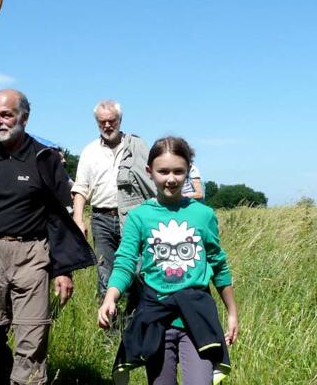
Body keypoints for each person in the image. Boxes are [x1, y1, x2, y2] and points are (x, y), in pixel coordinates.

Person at [0, 89, 95, 385]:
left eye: (6, 115)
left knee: (32, 339)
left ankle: (25, 379)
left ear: (24, 118)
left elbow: (60, 215)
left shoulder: (44, 157)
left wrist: (63, 270)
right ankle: (5, 376)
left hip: (33, 253)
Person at [97, 137, 238, 385]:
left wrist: (232, 313)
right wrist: (111, 297)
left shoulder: (203, 215)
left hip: (196, 317)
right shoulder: (139, 217)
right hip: (156, 318)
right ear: (150, 172)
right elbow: (125, 261)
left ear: (188, 171)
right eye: (163, 171)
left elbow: (218, 264)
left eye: (178, 171)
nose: (171, 179)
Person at [71, 100, 155, 300]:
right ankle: (109, 326)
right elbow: (81, 188)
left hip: (133, 217)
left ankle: (136, 322)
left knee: (137, 271)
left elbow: (152, 179)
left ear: (120, 120)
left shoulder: (137, 147)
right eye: (102, 122)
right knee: (105, 273)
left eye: (112, 121)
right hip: (102, 219)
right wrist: (78, 218)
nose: (107, 126)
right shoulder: (89, 151)